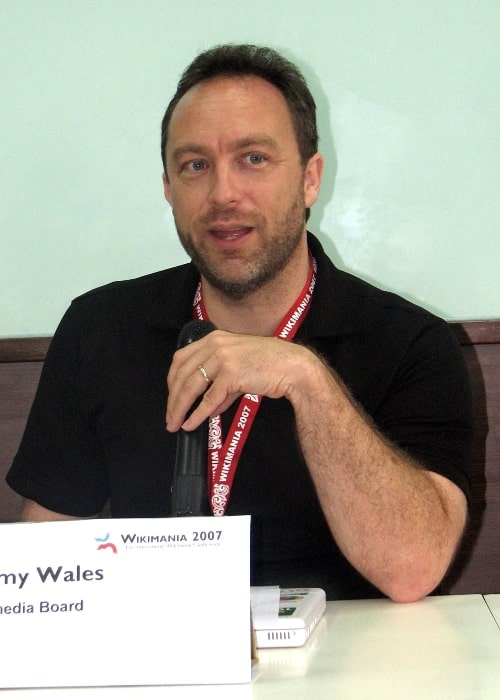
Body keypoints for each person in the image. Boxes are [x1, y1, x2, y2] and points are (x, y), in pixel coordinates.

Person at [6, 44, 472, 602]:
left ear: (309, 179)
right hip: (164, 660)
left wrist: (305, 378)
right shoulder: (100, 329)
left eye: (253, 158)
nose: (224, 193)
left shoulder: (411, 342)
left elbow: (412, 570)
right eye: (195, 165)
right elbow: (45, 556)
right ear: (169, 191)